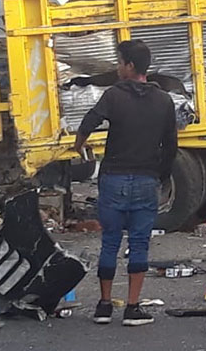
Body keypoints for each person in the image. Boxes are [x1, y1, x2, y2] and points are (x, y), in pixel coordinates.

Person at [74, 40, 177, 327]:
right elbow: (171, 146)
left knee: (110, 241)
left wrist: (78, 147)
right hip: (146, 179)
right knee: (140, 242)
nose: (117, 68)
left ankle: (104, 306)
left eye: (119, 62)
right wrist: (162, 175)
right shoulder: (163, 100)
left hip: (113, 178)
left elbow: (87, 124)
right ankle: (132, 307)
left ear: (130, 66)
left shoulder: (113, 96)